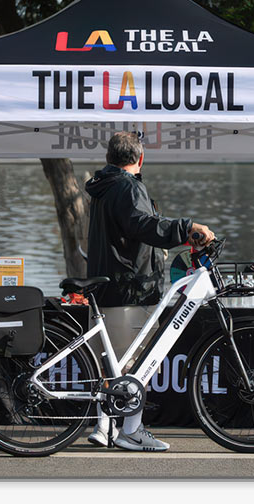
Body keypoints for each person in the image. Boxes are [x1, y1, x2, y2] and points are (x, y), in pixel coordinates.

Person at [85, 131, 214, 451]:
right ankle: (131, 428)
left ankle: (104, 428)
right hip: (132, 289)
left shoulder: (102, 188)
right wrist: (187, 228)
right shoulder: (128, 187)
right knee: (139, 365)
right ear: (140, 159)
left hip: (106, 289)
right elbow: (142, 225)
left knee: (110, 365)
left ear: (108, 158)